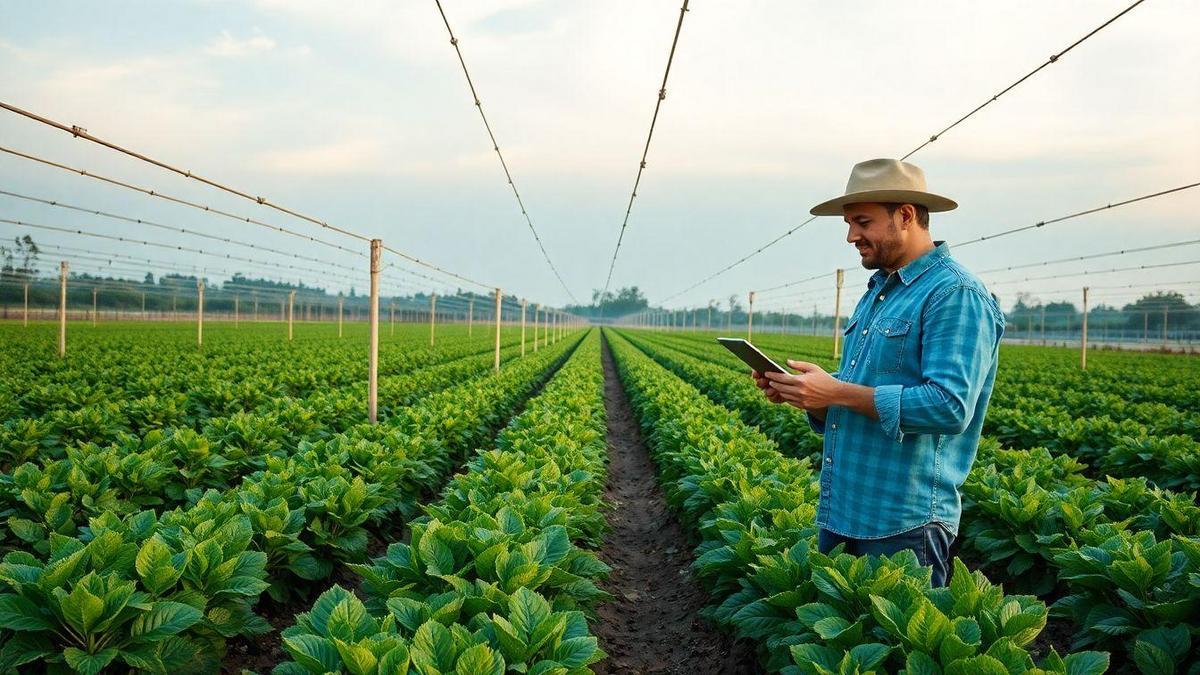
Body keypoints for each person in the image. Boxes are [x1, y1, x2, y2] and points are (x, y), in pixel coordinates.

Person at [751, 158, 1004, 587]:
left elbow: (949, 407)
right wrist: (807, 394)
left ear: (905, 215)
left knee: (899, 648)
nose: (851, 236)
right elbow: (858, 390)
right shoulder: (878, 293)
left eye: (862, 222)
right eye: (849, 224)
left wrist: (835, 393)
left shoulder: (955, 294)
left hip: (903, 521)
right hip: (843, 509)